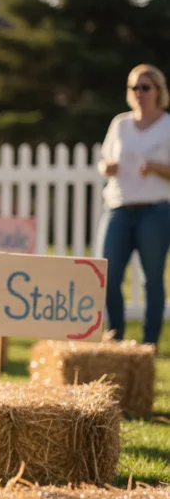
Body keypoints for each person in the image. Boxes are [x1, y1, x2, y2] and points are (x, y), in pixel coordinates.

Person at [97, 63, 170, 345]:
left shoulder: (166, 125)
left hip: (155, 210)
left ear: (158, 91)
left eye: (145, 87)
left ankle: (149, 344)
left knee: (152, 278)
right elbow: (103, 161)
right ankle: (116, 339)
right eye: (134, 87)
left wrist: (156, 167)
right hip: (119, 207)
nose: (139, 92)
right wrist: (109, 168)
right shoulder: (120, 124)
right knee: (109, 275)